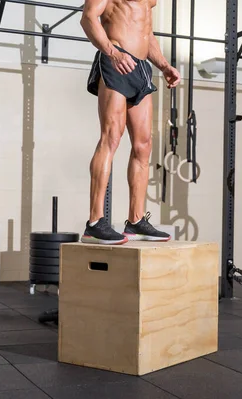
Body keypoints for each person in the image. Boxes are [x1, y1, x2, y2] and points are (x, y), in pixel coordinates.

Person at [79, 0, 181, 245]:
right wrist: (111, 52)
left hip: (142, 67)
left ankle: (136, 221)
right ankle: (95, 222)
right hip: (116, 61)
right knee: (111, 137)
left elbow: (146, 32)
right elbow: (88, 17)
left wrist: (164, 65)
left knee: (143, 145)